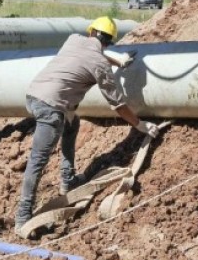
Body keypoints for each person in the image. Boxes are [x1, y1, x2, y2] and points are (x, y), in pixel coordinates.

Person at [15, 16, 160, 232]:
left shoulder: (73, 39)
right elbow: (118, 104)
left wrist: (118, 62)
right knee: (37, 160)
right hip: (51, 108)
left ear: (91, 32)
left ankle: (68, 180)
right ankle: (23, 216)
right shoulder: (100, 64)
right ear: (109, 42)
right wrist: (139, 125)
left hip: (34, 95)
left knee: (72, 124)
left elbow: (92, 53)